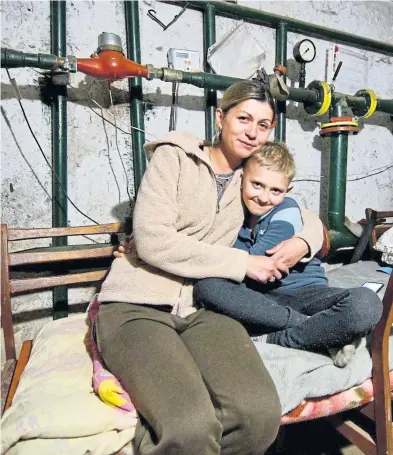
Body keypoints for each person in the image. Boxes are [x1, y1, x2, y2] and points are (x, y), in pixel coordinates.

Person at [94, 80, 324, 455]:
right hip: (137, 303)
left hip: (205, 306)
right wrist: (242, 262)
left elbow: (301, 214)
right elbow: (152, 240)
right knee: (190, 426)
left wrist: (303, 242)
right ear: (221, 117)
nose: (252, 132)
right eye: (244, 118)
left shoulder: (251, 177)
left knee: (259, 415)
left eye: (263, 125)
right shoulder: (175, 158)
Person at [194, 142, 383, 367]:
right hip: (263, 301)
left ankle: (279, 338)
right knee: (206, 287)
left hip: (307, 293)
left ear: (288, 191)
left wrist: (232, 259)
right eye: (257, 185)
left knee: (365, 303)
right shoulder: (234, 215)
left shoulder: (287, 210)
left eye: (276, 191)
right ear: (242, 178)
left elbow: (263, 260)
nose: (264, 197)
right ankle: (320, 331)